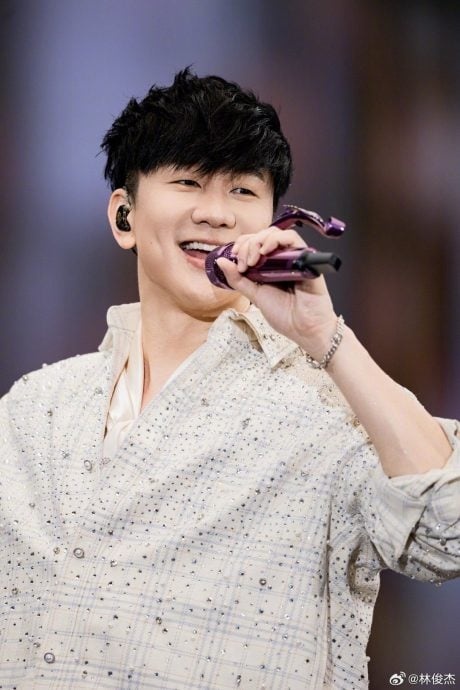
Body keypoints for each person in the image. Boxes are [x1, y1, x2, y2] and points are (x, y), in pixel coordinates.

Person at [0, 68, 458, 690]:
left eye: (242, 190)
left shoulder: (326, 408)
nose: (215, 214)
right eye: (188, 182)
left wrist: (326, 338)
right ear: (124, 216)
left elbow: (448, 533)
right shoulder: (36, 410)